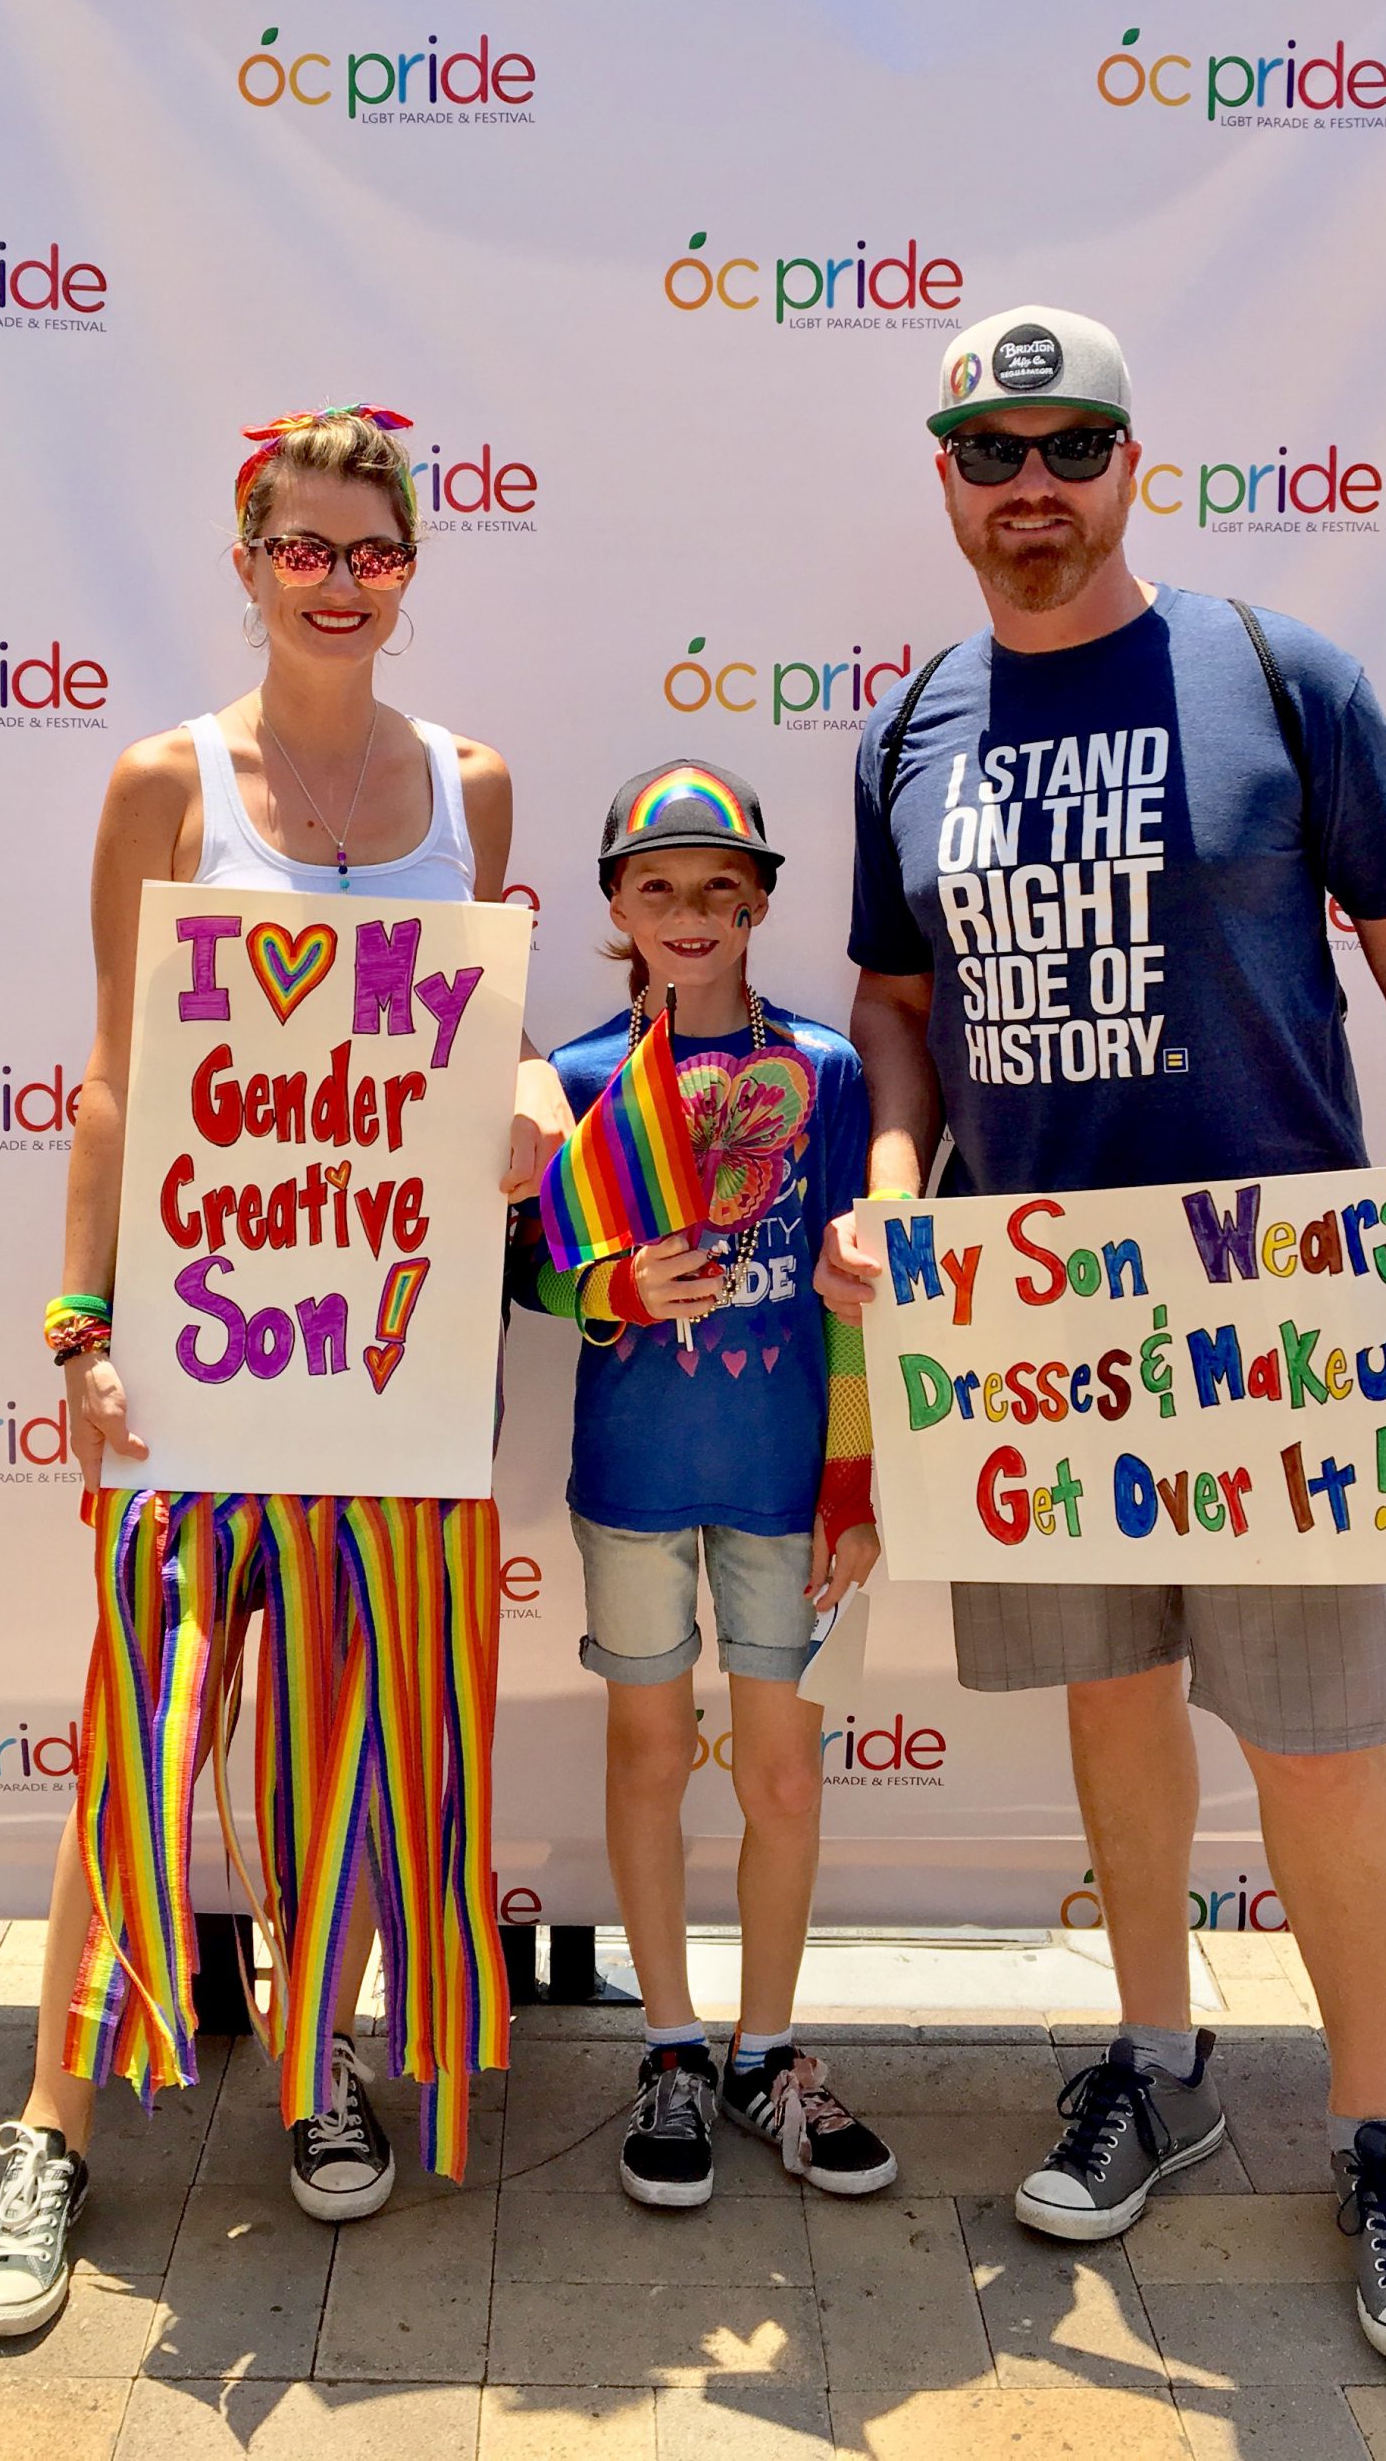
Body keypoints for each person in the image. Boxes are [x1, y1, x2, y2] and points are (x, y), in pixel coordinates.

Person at [817, 306, 1386, 2367]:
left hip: (1282, 1320)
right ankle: (1156, 2048)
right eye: (991, 450)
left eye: (1070, 445)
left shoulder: (1270, 672)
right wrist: (892, 1173)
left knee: (1319, 1733)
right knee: (1116, 1696)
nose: (1029, 484)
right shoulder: (914, 724)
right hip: (1042, 1321)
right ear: (946, 481)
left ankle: (1384, 2128)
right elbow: (893, 993)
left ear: (1135, 461)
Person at [0, 405, 569, 2339]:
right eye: (298, 549)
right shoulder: (166, 784)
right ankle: (50, 2127)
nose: (333, 582)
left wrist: (533, 1107)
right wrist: (76, 1332)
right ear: (244, 565)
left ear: (409, 573)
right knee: (148, 1738)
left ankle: (322, 2068)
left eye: (367, 553)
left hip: (393, 1361)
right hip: (202, 1356)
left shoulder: (469, 785)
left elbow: (480, 1055)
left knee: (365, 1748)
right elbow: (123, 1082)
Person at [508, 762, 897, 2207]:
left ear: (761, 906)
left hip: (793, 1483)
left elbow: (869, 1283)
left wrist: (859, 1488)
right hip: (629, 1477)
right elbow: (527, 1269)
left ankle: (767, 2047)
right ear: (613, 903)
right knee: (649, 1757)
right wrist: (607, 1285)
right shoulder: (578, 1081)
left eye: (720, 892)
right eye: (657, 889)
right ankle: (670, 2044)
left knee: (784, 1769)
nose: (689, 915)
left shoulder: (830, 1071)